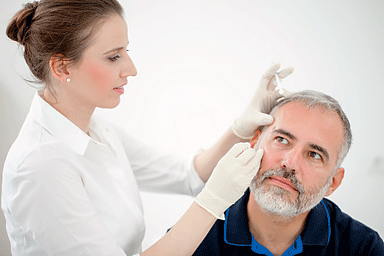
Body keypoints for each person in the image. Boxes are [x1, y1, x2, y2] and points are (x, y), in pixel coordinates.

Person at [1, 0, 294, 255]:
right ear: (62, 67)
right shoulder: (40, 167)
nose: (131, 69)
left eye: (125, 51)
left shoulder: (95, 129)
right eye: (113, 57)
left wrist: (239, 128)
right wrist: (214, 200)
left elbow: (187, 175)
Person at [192, 90, 384, 255]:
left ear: (333, 182)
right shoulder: (197, 233)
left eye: (314, 155)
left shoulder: (363, 247)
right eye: (282, 140)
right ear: (254, 143)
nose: (290, 163)